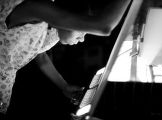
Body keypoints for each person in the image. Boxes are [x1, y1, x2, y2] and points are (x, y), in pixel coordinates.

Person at [0, 0, 131, 114]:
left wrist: (63, 86)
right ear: (68, 17)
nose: (82, 39)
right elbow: (104, 27)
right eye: (82, 27)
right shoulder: (35, 8)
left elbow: (39, 54)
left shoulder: (52, 30)